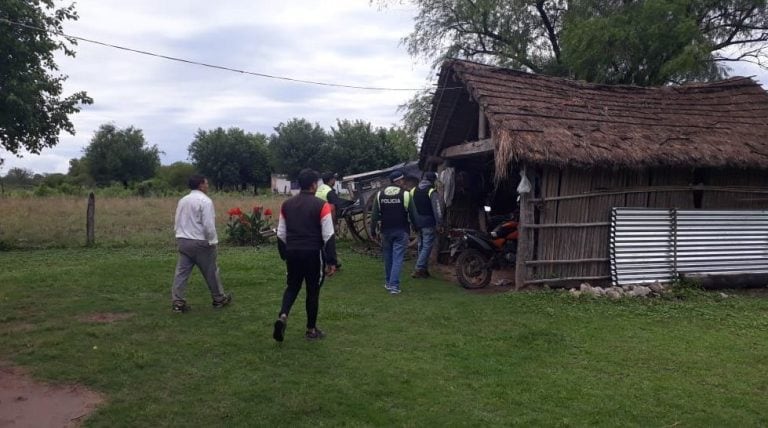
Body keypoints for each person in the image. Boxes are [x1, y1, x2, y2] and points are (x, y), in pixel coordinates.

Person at [273, 169, 338, 342]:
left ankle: (283, 315)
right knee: (312, 290)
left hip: (293, 252)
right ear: (313, 185)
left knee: (292, 287)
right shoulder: (321, 205)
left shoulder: (286, 205)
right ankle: (311, 330)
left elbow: (280, 233)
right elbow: (328, 235)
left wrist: (284, 255)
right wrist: (332, 261)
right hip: (313, 253)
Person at [171, 174, 232, 313]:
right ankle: (219, 299)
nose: (208, 185)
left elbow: (177, 220)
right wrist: (212, 241)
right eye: (206, 183)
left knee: (181, 273)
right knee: (211, 271)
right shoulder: (205, 201)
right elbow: (208, 225)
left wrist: (179, 235)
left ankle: (178, 302)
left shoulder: (183, 200)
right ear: (200, 185)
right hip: (200, 241)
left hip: (183, 240)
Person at [370, 170, 416, 295]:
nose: (404, 182)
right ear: (398, 181)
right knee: (397, 258)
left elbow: (374, 216)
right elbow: (412, 214)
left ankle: (388, 282)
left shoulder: (379, 195)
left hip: (385, 231)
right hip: (401, 230)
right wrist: (417, 228)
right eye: (403, 180)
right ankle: (394, 286)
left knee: (388, 257)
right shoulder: (406, 195)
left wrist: (372, 231)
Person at [410, 172, 445, 278]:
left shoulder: (413, 190)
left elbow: (411, 208)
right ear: (433, 180)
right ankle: (419, 268)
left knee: (421, 245)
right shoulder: (431, 191)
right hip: (428, 222)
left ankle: (423, 271)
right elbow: (437, 209)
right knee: (427, 246)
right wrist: (440, 223)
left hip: (417, 222)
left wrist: (412, 222)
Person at [316, 172, 353, 268]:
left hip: (317, 217)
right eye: (333, 179)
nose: (335, 180)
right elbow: (334, 208)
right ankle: (332, 263)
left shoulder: (320, 189)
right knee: (330, 242)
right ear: (330, 180)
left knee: (322, 241)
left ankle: (324, 261)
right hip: (327, 219)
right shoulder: (329, 192)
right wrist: (335, 223)